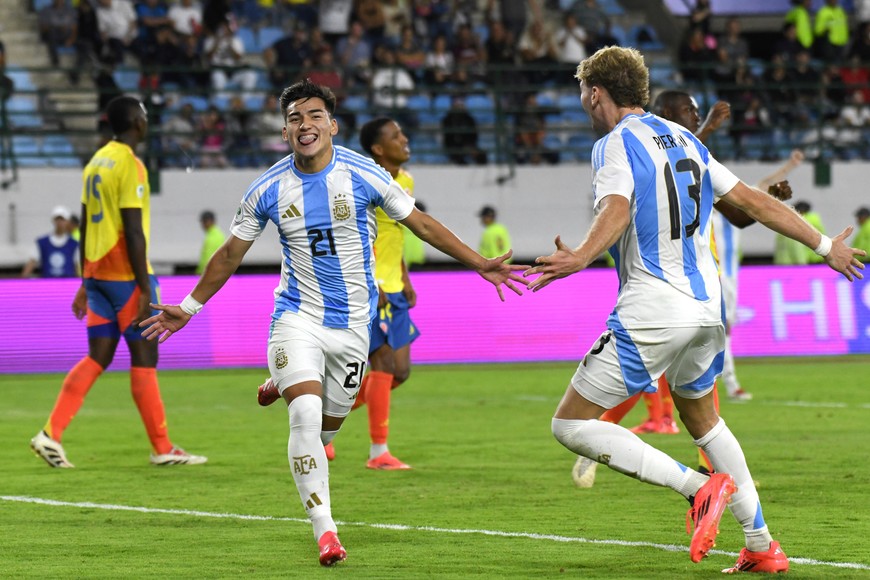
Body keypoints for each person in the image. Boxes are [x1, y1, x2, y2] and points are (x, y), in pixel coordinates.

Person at [139, 79, 526, 567]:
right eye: (296, 118)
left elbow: (421, 225)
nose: (307, 125)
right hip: (295, 318)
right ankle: (326, 531)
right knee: (303, 418)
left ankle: (281, 383)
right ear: (284, 130)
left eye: (315, 115)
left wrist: (480, 262)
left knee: (324, 433)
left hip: (351, 329)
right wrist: (189, 307)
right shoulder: (266, 188)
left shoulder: (364, 173)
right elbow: (231, 252)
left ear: (332, 125)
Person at [526, 46, 864, 573]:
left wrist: (582, 255)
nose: (586, 106)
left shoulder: (615, 144)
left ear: (596, 94)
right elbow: (754, 202)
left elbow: (615, 208)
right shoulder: (684, 138)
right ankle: (761, 545)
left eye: (584, 97)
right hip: (708, 307)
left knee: (569, 425)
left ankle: (698, 487)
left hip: (654, 307)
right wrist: (825, 246)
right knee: (704, 420)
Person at [30, 95, 207, 469]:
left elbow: (84, 219)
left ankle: (50, 433)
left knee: (100, 355)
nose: (146, 120)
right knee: (145, 356)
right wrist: (145, 286)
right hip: (125, 276)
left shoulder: (96, 161)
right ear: (136, 122)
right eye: (144, 114)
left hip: (96, 275)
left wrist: (84, 280)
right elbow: (132, 229)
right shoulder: (130, 164)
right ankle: (161, 447)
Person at [317, 116, 421, 470]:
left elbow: (394, 235)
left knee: (400, 372)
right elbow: (358, 235)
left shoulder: (405, 180)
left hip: (393, 288)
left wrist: (404, 276)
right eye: (396, 135)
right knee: (383, 364)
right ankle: (378, 452)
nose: (404, 139)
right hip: (367, 286)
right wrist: (371, 281)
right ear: (378, 149)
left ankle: (322, 424)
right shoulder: (362, 181)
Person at [21, 205, 79, 278]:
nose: (59, 222)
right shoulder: (42, 242)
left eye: (62, 219)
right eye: (57, 219)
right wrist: (22, 280)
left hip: (67, 285)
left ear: (67, 221)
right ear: (53, 220)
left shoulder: (74, 244)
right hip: (48, 285)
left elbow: (77, 266)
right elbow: (32, 262)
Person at [197, 210, 225, 275]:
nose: (202, 225)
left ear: (210, 221)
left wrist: (201, 273)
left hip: (210, 274)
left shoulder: (213, 236)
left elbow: (208, 258)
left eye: (204, 222)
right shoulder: (218, 234)